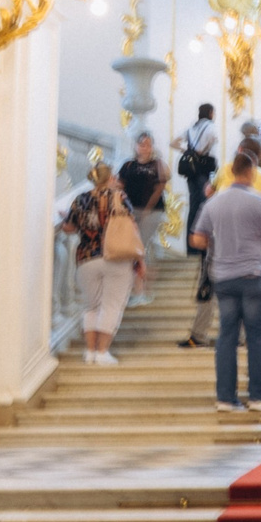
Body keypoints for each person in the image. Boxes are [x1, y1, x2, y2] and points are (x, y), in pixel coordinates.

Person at [188, 150, 261, 413]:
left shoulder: (213, 203)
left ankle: (225, 398)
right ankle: (258, 396)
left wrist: (219, 241)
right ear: (252, 172)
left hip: (223, 277)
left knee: (226, 336)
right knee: (256, 337)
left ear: (231, 172)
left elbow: (196, 239)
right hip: (255, 275)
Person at [63, 163, 142, 366]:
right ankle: (102, 351)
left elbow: (68, 228)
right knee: (111, 306)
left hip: (86, 258)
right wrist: (140, 260)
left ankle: (89, 351)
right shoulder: (120, 197)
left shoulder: (80, 199)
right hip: (116, 257)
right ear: (111, 178)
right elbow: (132, 227)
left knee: (91, 306)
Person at [118, 132, 169, 303]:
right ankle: (137, 288)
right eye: (141, 144)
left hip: (152, 212)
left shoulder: (157, 164)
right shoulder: (128, 165)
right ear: (136, 146)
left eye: (148, 144)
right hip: (131, 212)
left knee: (140, 246)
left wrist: (147, 209)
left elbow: (160, 187)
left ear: (152, 147)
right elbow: (120, 186)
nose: (144, 147)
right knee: (133, 248)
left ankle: (141, 290)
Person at [174, 102, 219, 212]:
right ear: (210, 113)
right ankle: (202, 223)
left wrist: (187, 151)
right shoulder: (211, 127)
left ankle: (191, 224)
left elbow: (173, 143)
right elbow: (213, 140)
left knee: (193, 202)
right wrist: (200, 151)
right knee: (204, 201)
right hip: (203, 168)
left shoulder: (191, 128)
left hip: (191, 169)